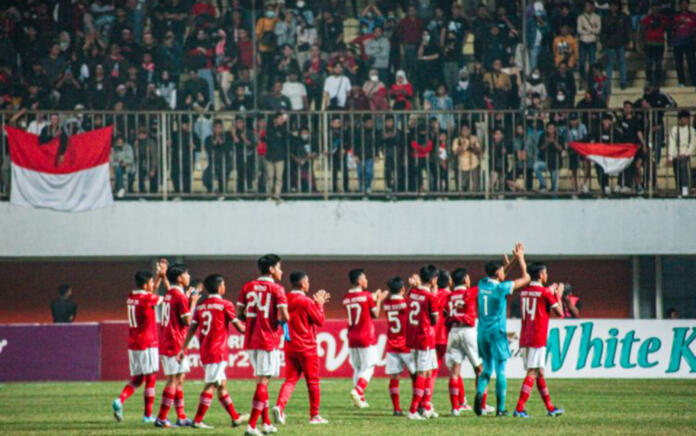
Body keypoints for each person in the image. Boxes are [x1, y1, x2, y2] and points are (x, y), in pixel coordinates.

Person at [179, 274, 248, 429]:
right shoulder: (225, 304)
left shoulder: (201, 306)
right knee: (211, 385)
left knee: (221, 384)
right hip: (218, 351)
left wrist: (184, 348)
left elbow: (192, 330)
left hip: (206, 351)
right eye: (223, 284)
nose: (225, 287)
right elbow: (240, 328)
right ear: (219, 287)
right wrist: (254, 325)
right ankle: (197, 420)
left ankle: (235, 418)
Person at [474, 243, 530, 417]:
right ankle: (501, 408)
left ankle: (479, 394)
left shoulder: (482, 284)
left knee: (487, 369)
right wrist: (520, 259)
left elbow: (499, 275)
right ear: (497, 272)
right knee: (501, 370)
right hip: (497, 333)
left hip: (482, 332)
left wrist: (509, 262)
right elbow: (526, 278)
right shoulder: (500, 288)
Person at [237, 254, 289, 436]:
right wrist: (277, 320)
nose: (281, 271)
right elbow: (285, 316)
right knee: (263, 382)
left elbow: (240, 313)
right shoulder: (277, 289)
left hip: (251, 340)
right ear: (272, 269)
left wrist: (255, 320)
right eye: (279, 267)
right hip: (268, 339)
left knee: (262, 381)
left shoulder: (247, 287)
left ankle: (266, 423)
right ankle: (251, 426)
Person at [272, 271, 330, 425]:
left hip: (290, 346)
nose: (309, 284)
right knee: (313, 381)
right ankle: (314, 415)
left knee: (290, 379)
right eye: (308, 281)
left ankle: (279, 406)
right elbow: (320, 321)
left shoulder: (286, 299)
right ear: (303, 283)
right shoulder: (306, 301)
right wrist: (320, 305)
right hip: (307, 347)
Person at [112, 263, 168, 423]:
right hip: (148, 343)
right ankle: (148, 415)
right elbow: (166, 299)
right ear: (145, 285)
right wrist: (164, 279)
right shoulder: (147, 298)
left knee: (138, 378)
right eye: (151, 283)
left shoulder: (132, 296)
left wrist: (158, 277)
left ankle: (120, 400)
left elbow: (150, 293)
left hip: (134, 343)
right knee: (151, 378)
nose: (153, 285)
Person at [513, 263, 565, 418]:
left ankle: (550, 408)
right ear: (541, 275)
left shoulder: (523, 292)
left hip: (525, 336)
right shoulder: (544, 293)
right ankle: (519, 408)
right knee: (533, 372)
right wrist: (558, 295)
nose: (547, 275)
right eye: (546, 273)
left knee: (540, 372)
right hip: (537, 337)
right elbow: (560, 313)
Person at [154, 264, 200, 428]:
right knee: (173, 380)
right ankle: (161, 418)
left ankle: (181, 416)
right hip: (174, 342)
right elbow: (187, 321)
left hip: (170, 340)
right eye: (187, 274)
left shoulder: (170, 293)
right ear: (180, 278)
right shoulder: (179, 296)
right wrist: (193, 302)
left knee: (179, 379)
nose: (188, 276)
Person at [444, 268, 494, 416]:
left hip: (454, 332)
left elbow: (445, 313)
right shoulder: (470, 292)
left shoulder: (449, 295)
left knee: (454, 372)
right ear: (465, 279)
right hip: (468, 332)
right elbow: (492, 283)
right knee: (480, 369)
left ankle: (455, 408)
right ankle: (482, 406)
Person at [342, 268, 388, 409]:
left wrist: (372, 297)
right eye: (365, 278)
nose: (366, 280)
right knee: (369, 367)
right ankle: (358, 390)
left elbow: (360, 301)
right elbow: (375, 314)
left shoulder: (346, 298)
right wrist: (379, 300)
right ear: (359, 281)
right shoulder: (367, 296)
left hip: (352, 336)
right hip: (365, 336)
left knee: (358, 367)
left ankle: (360, 399)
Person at [406, 265, 440, 420]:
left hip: (414, 336)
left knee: (427, 371)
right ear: (433, 279)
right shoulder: (431, 296)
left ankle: (425, 406)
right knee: (422, 373)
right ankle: (413, 410)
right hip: (425, 336)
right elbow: (434, 320)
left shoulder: (413, 292)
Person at [381, 276, 416, 416]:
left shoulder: (386, 304)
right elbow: (407, 301)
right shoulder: (406, 303)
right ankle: (417, 405)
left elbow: (400, 300)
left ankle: (396, 408)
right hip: (406, 345)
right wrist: (413, 287)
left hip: (392, 346)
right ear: (402, 289)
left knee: (394, 377)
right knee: (416, 375)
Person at [602, 0, 631, 91]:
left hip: (621, 43)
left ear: (618, 6)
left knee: (622, 63)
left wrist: (627, 41)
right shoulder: (606, 16)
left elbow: (627, 30)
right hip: (610, 44)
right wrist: (605, 42)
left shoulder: (623, 16)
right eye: (611, 6)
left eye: (615, 5)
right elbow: (603, 31)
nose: (613, 8)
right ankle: (608, 83)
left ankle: (623, 82)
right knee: (609, 64)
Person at [667, 109, 696, 197]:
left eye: (686, 119)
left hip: (686, 154)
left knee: (683, 167)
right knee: (676, 170)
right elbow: (672, 143)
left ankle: (685, 187)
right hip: (676, 154)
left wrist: (686, 153)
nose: (684, 120)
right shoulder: (675, 129)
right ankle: (679, 189)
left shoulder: (691, 130)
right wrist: (671, 156)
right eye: (682, 118)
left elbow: (692, 143)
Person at [265, 112, 289, 200]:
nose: (281, 120)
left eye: (282, 119)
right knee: (270, 177)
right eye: (279, 118)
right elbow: (270, 138)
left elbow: (286, 136)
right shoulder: (269, 128)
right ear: (274, 119)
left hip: (279, 156)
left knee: (279, 177)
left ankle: (277, 194)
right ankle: (269, 194)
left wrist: (283, 125)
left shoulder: (283, 129)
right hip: (270, 156)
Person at [672, 0, 696, 87]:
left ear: (688, 5)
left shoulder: (693, 15)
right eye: (682, 4)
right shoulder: (675, 15)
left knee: (692, 63)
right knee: (679, 63)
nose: (684, 5)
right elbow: (672, 27)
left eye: (685, 4)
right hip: (677, 42)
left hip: (689, 42)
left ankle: (694, 81)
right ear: (679, 5)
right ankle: (681, 82)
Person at [452, 123, 481, 193]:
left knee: (474, 187)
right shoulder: (457, 140)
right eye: (463, 130)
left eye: (467, 130)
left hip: (474, 165)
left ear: (470, 130)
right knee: (462, 186)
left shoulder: (474, 138)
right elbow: (456, 152)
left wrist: (473, 146)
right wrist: (463, 144)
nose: (465, 131)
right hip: (462, 166)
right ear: (461, 131)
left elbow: (478, 151)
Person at [577, 1, 601, 84]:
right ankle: (583, 81)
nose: (587, 7)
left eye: (589, 6)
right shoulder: (580, 17)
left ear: (592, 7)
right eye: (586, 6)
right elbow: (579, 30)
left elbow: (598, 30)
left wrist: (587, 29)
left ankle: (591, 81)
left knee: (592, 63)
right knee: (582, 63)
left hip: (592, 41)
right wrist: (591, 30)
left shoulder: (597, 17)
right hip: (583, 41)